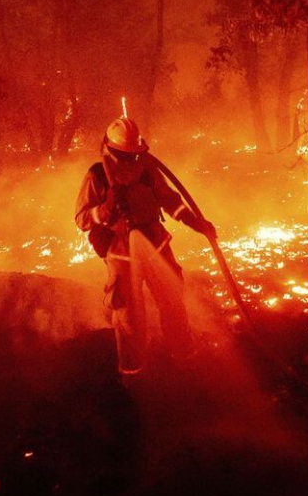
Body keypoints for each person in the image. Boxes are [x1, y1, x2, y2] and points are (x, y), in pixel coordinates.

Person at [75, 116, 215, 377]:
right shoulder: (97, 175)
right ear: (110, 150)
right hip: (121, 252)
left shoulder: (147, 169)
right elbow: (82, 219)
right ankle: (133, 371)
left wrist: (195, 222)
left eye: (133, 155)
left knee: (172, 299)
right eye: (124, 155)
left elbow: (170, 200)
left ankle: (184, 356)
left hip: (155, 244)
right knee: (128, 312)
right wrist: (105, 210)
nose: (130, 161)